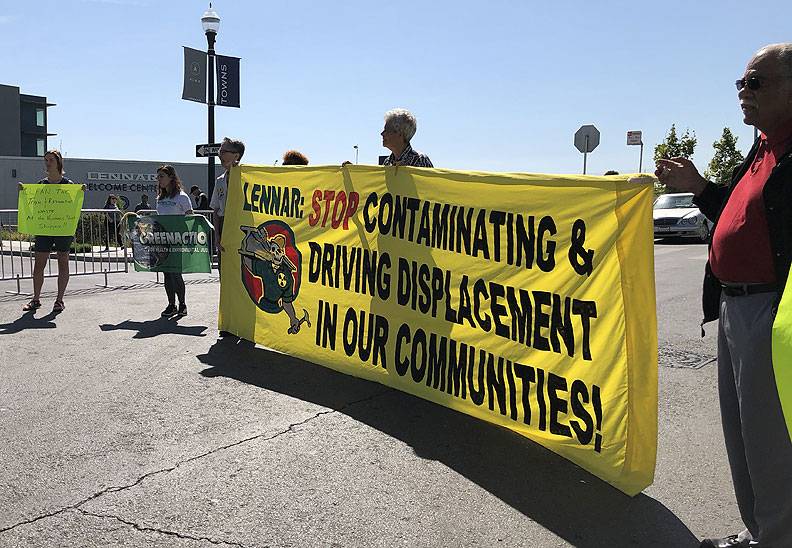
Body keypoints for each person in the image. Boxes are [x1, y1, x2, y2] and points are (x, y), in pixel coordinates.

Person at [656, 43, 792, 548]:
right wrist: (697, 186)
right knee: (744, 437)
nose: (743, 92)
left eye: (756, 82)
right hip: (734, 307)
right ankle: (761, 532)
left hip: (772, 311)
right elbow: (735, 215)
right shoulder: (760, 149)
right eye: (740, 83)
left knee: (772, 442)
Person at [18, 150, 86, 312]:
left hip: (63, 229)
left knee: (63, 261)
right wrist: (23, 192)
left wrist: (80, 193)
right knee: (39, 264)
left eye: (51, 160)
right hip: (44, 228)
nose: (47, 163)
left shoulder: (69, 185)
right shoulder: (41, 185)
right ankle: (36, 299)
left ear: (58, 163)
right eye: (46, 160)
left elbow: (73, 208)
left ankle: (59, 300)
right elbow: (33, 206)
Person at [154, 165, 193, 317]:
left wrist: (189, 237)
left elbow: (190, 217)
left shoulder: (182, 197)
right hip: (163, 240)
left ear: (171, 177)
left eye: (161, 176)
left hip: (177, 240)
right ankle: (171, 304)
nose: (159, 180)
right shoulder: (160, 198)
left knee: (176, 273)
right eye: (158, 177)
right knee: (167, 273)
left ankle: (182, 304)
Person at [210, 137, 245, 270]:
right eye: (220, 150)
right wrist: (217, 235)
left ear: (236, 155)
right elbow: (216, 209)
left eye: (224, 151)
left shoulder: (246, 177)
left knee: (239, 267)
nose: (220, 154)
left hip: (240, 225)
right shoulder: (220, 181)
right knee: (224, 267)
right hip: (224, 225)